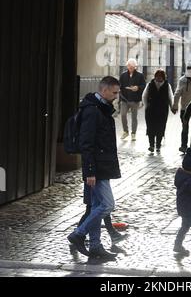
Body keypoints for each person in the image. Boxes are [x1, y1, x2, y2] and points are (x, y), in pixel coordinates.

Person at [67, 76, 121, 259]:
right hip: (97, 169)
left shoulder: (101, 109)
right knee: (107, 205)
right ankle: (78, 234)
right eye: (114, 92)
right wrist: (89, 171)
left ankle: (96, 246)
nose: (116, 96)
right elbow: (86, 143)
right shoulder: (92, 111)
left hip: (102, 166)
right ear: (104, 90)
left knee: (97, 205)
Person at [142, 69, 174, 153]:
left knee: (160, 128)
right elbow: (144, 96)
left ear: (163, 77)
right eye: (157, 76)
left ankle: (158, 145)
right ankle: (151, 145)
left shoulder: (167, 86)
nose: (158, 78)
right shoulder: (150, 85)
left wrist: (172, 107)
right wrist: (146, 106)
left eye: (160, 76)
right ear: (155, 76)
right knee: (150, 128)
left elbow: (170, 97)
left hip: (162, 111)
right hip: (150, 111)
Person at [119, 58, 146, 141]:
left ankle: (133, 133)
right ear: (127, 66)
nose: (130, 68)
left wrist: (137, 88)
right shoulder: (123, 75)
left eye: (132, 66)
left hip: (135, 100)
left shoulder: (140, 75)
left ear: (135, 67)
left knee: (134, 117)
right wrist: (120, 90)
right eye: (129, 66)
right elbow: (119, 86)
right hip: (125, 99)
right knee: (123, 114)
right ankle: (125, 131)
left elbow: (144, 86)